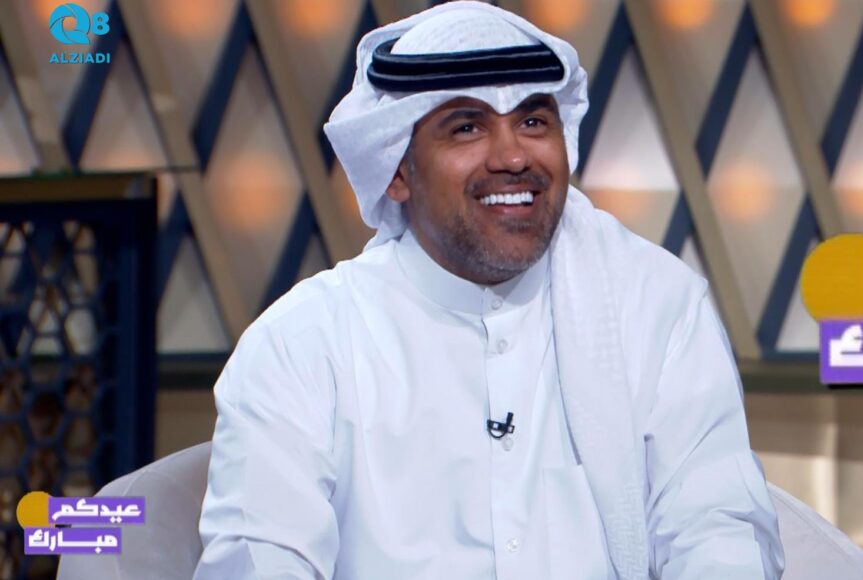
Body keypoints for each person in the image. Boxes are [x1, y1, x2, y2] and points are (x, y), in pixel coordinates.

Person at [194, 2, 785, 579]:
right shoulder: (301, 345)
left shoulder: (655, 307)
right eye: (467, 127)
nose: (512, 157)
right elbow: (259, 559)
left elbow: (717, 528)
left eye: (533, 121)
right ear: (397, 172)